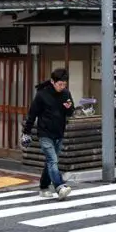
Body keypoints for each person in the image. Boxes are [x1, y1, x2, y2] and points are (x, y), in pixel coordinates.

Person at [21, 67, 75, 200]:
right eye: (60, 84)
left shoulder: (66, 94)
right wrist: (26, 133)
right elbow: (32, 114)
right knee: (53, 160)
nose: (62, 87)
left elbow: (70, 112)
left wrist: (69, 108)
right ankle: (60, 186)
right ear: (52, 81)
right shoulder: (42, 95)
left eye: (64, 84)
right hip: (45, 133)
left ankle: (43, 187)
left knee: (51, 162)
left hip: (59, 133)